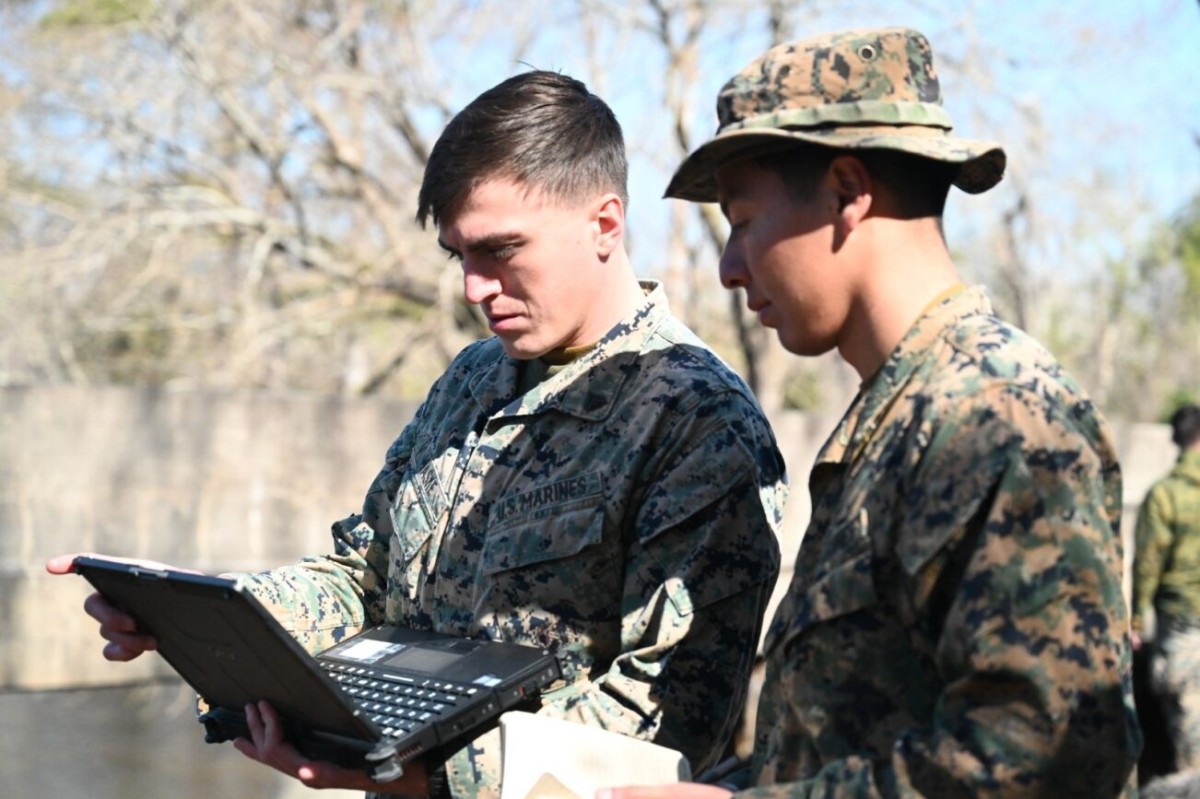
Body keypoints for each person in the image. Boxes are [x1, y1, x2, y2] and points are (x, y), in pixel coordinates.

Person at [47, 71, 786, 798]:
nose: (473, 288)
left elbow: (667, 725)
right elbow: (363, 574)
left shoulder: (696, 420)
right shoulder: (472, 379)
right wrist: (206, 616)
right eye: (459, 256)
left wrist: (430, 776)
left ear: (604, 224)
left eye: (500, 250)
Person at [602, 26, 1141, 799]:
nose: (728, 267)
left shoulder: (994, 415)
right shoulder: (896, 416)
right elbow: (843, 738)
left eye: (743, 218)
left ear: (849, 193)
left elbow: (1049, 762)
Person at [1133, 403, 1200, 772]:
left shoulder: (1165, 495)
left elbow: (1147, 563)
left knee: (1189, 738)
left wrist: (1133, 621)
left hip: (1182, 629)